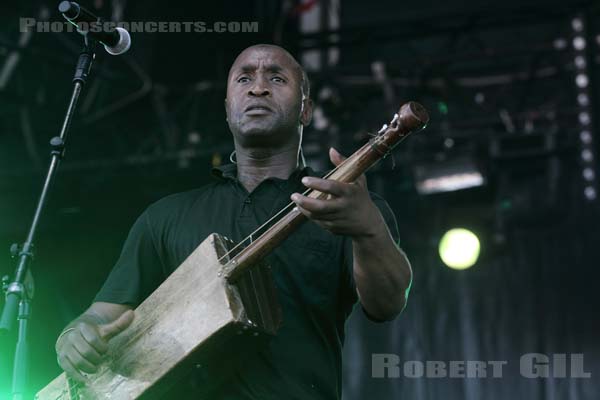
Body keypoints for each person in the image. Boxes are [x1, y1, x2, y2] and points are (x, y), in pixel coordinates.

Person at [54, 44, 412, 399]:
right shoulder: (164, 216)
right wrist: (75, 335)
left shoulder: (345, 204)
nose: (258, 87)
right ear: (228, 110)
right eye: (244, 78)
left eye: (276, 77)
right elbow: (101, 316)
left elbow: (387, 304)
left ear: (306, 110)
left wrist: (370, 229)